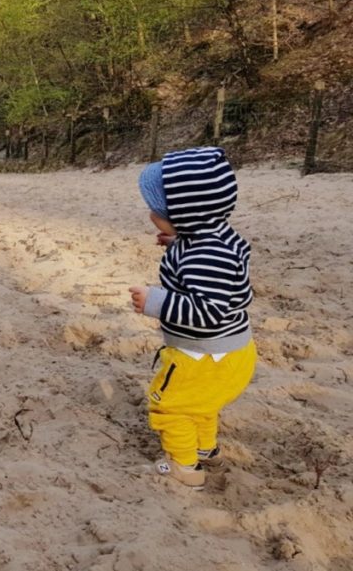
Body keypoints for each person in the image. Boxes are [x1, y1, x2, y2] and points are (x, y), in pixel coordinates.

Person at [128, 147, 257, 490]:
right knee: (203, 403)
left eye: (156, 210)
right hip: (230, 352)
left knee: (172, 405)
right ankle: (206, 448)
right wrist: (177, 242)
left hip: (202, 356)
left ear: (184, 213)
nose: (151, 215)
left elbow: (208, 310)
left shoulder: (204, 255)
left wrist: (155, 301)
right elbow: (215, 268)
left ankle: (184, 466)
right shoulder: (215, 237)